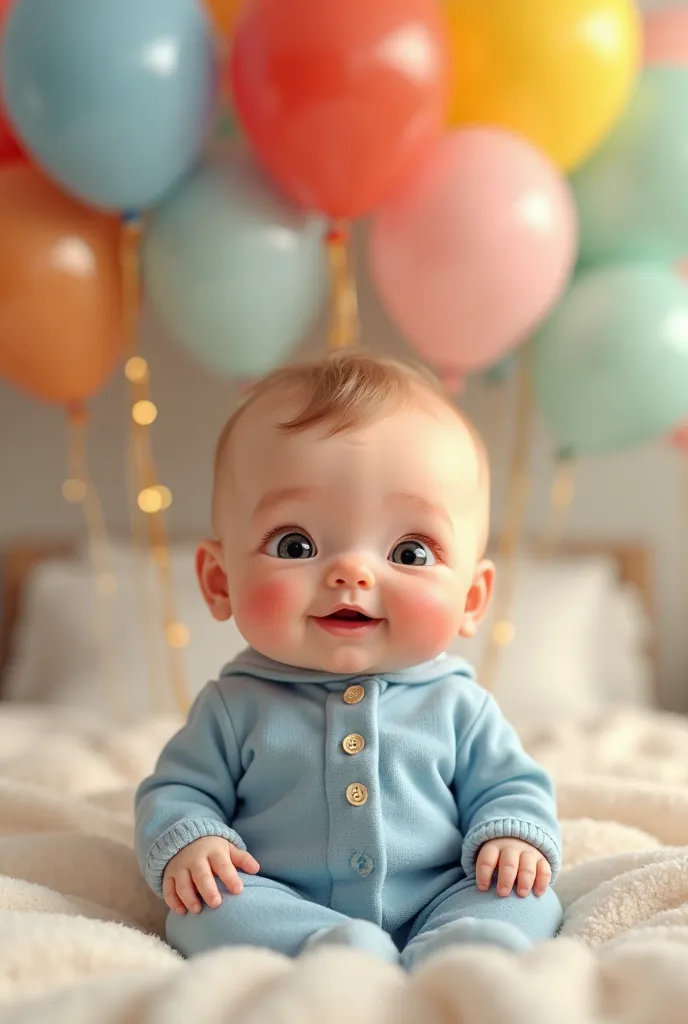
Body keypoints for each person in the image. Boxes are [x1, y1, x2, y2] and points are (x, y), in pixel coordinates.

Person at [135, 352, 562, 971]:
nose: (351, 572)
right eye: (295, 544)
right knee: (204, 907)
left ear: (471, 599)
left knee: (527, 897)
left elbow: (512, 786)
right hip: (282, 898)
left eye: (410, 552)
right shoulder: (234, 707)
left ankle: (464, 949)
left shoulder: (459, 706)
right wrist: (191, 841)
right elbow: (177, 791)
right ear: (220, 580)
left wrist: (511, 835)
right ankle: (325, 948)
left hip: (440, 895)